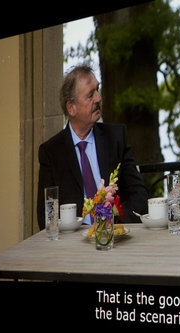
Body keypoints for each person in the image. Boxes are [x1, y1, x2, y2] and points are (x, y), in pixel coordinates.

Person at [37, 65, 147, 229]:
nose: (98, 98)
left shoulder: (116, 137)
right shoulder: (51, 151)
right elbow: (46, 214)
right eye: (90, 95)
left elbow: (139, 194)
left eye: (97, 90)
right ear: (71, 107)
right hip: (74, 244)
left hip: (115, 236)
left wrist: (116, 224)